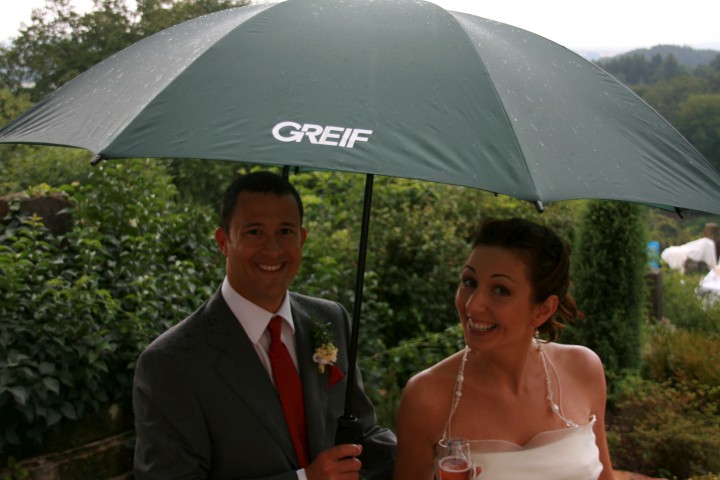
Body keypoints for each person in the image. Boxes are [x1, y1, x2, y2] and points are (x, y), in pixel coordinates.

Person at [133, 171, 396, 479]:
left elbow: (363, 437)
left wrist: (429, 447)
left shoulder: (330, 319)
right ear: (223, 242)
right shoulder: (171, 362)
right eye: (254, 232)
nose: (273, 249)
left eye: (285, 231)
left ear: (302, 238)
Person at [394, 218, 614, 480]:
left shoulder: (583, 369)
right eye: (469, 282)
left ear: (543, 309)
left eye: (500, 290)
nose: (472, 306)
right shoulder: (427, 396)